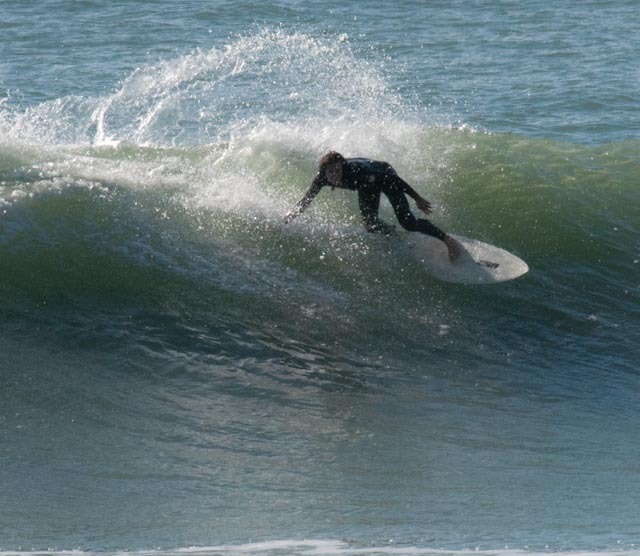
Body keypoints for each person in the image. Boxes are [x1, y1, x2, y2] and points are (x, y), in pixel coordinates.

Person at [284, 151, 461, 261]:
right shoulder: (321, 179)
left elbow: (393, 180)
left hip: (384, 176)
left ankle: (447, 240)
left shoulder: (356, 171)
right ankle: (394, 235)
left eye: (338, 170)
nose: (335, 175)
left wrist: (417, 198)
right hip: (366, 185)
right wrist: (291, 216)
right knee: (371, 225)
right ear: (324, 172)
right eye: (331, 171)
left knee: (408, 222)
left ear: (343, 167)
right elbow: (307, 199)